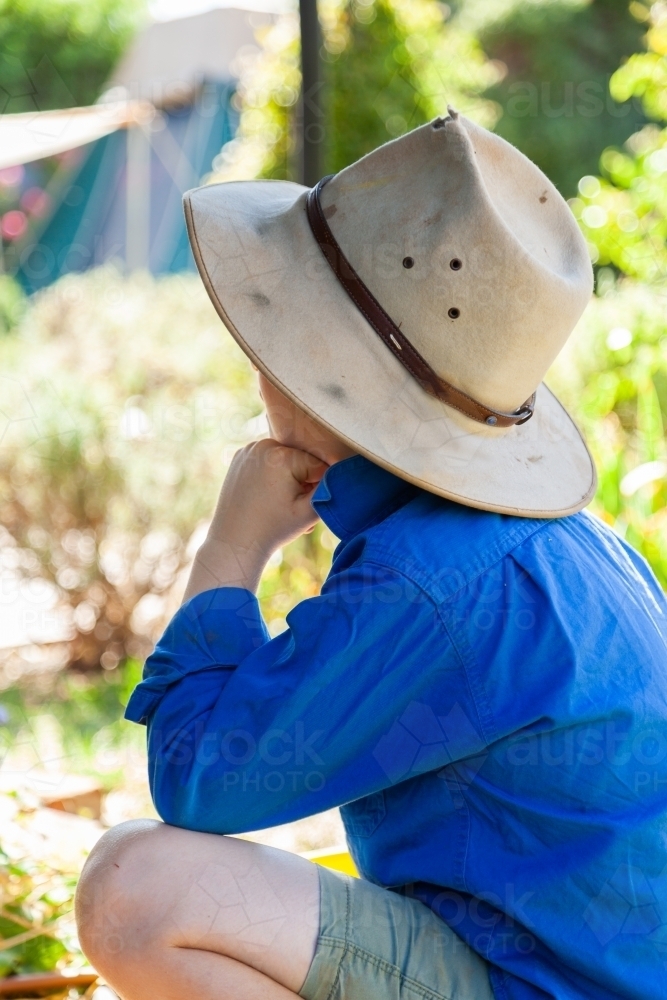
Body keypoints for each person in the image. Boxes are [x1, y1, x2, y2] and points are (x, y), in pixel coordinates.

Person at [75, 110, 667, 1000]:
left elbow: (202, 778)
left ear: (328, 384)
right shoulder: (567, 545)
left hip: (542, 982)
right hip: (591, 964)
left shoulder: (427, 579)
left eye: (271, 333)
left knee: (137, 888)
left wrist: (230, 548)